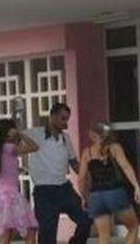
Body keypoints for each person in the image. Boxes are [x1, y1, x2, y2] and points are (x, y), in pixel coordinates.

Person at [25, 102, 92, 244]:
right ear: (52, 116)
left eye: (67, 119)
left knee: (86, 219)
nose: (65, 122)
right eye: (63, 118)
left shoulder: (65, 138)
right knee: (47, 236)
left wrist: (87, 177)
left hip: (64, 189)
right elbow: (10, 140)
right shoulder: (35, 133)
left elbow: (74, 163)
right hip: (44, 192)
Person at [78, 121, 140, 244]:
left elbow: (81, 179)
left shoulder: (87, 152)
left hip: (95, 197)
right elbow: (125, 167)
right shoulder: (114, 147)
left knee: (104, 237)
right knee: (134, 227)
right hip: (114, 192)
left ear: (93, 134)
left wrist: (84, 197)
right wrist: (136, 186)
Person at [0, 119, 39, 244]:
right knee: (31, 227)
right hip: (11, 195)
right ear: (10, 132)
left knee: (7, 232)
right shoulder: (9, 148)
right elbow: (34, 147)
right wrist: (21, 134)